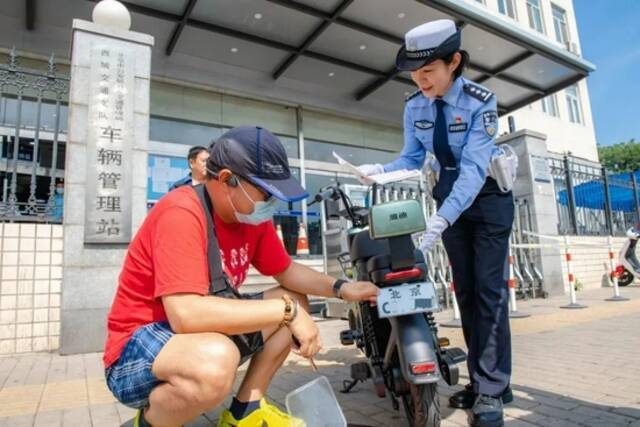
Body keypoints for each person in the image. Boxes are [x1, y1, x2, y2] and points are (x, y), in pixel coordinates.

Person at [103, 126, 379, 427]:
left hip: (191, 336)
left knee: (292, 297)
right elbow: (185, 314)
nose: (272, 203)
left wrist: (342, 287)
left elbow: (286, 271)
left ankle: (245, 411)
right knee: (216, 359)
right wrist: (287, 311)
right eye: (266, 193)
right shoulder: (181, 212)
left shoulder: (249, 217)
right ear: (225, 180)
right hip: (137, 351)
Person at [358, 20, 514, 427]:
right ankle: (487, 382)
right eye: (415, 73)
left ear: (454, 62)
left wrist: (440, 220)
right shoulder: (415, 106)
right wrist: (379, 171)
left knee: (490, 294)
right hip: (450, 201)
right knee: (465, 292)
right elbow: (410, 159)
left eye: (428, 71)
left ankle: (492, 389)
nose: (420, 80)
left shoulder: (481, 102)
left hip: (488, 201)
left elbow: (474, 170)